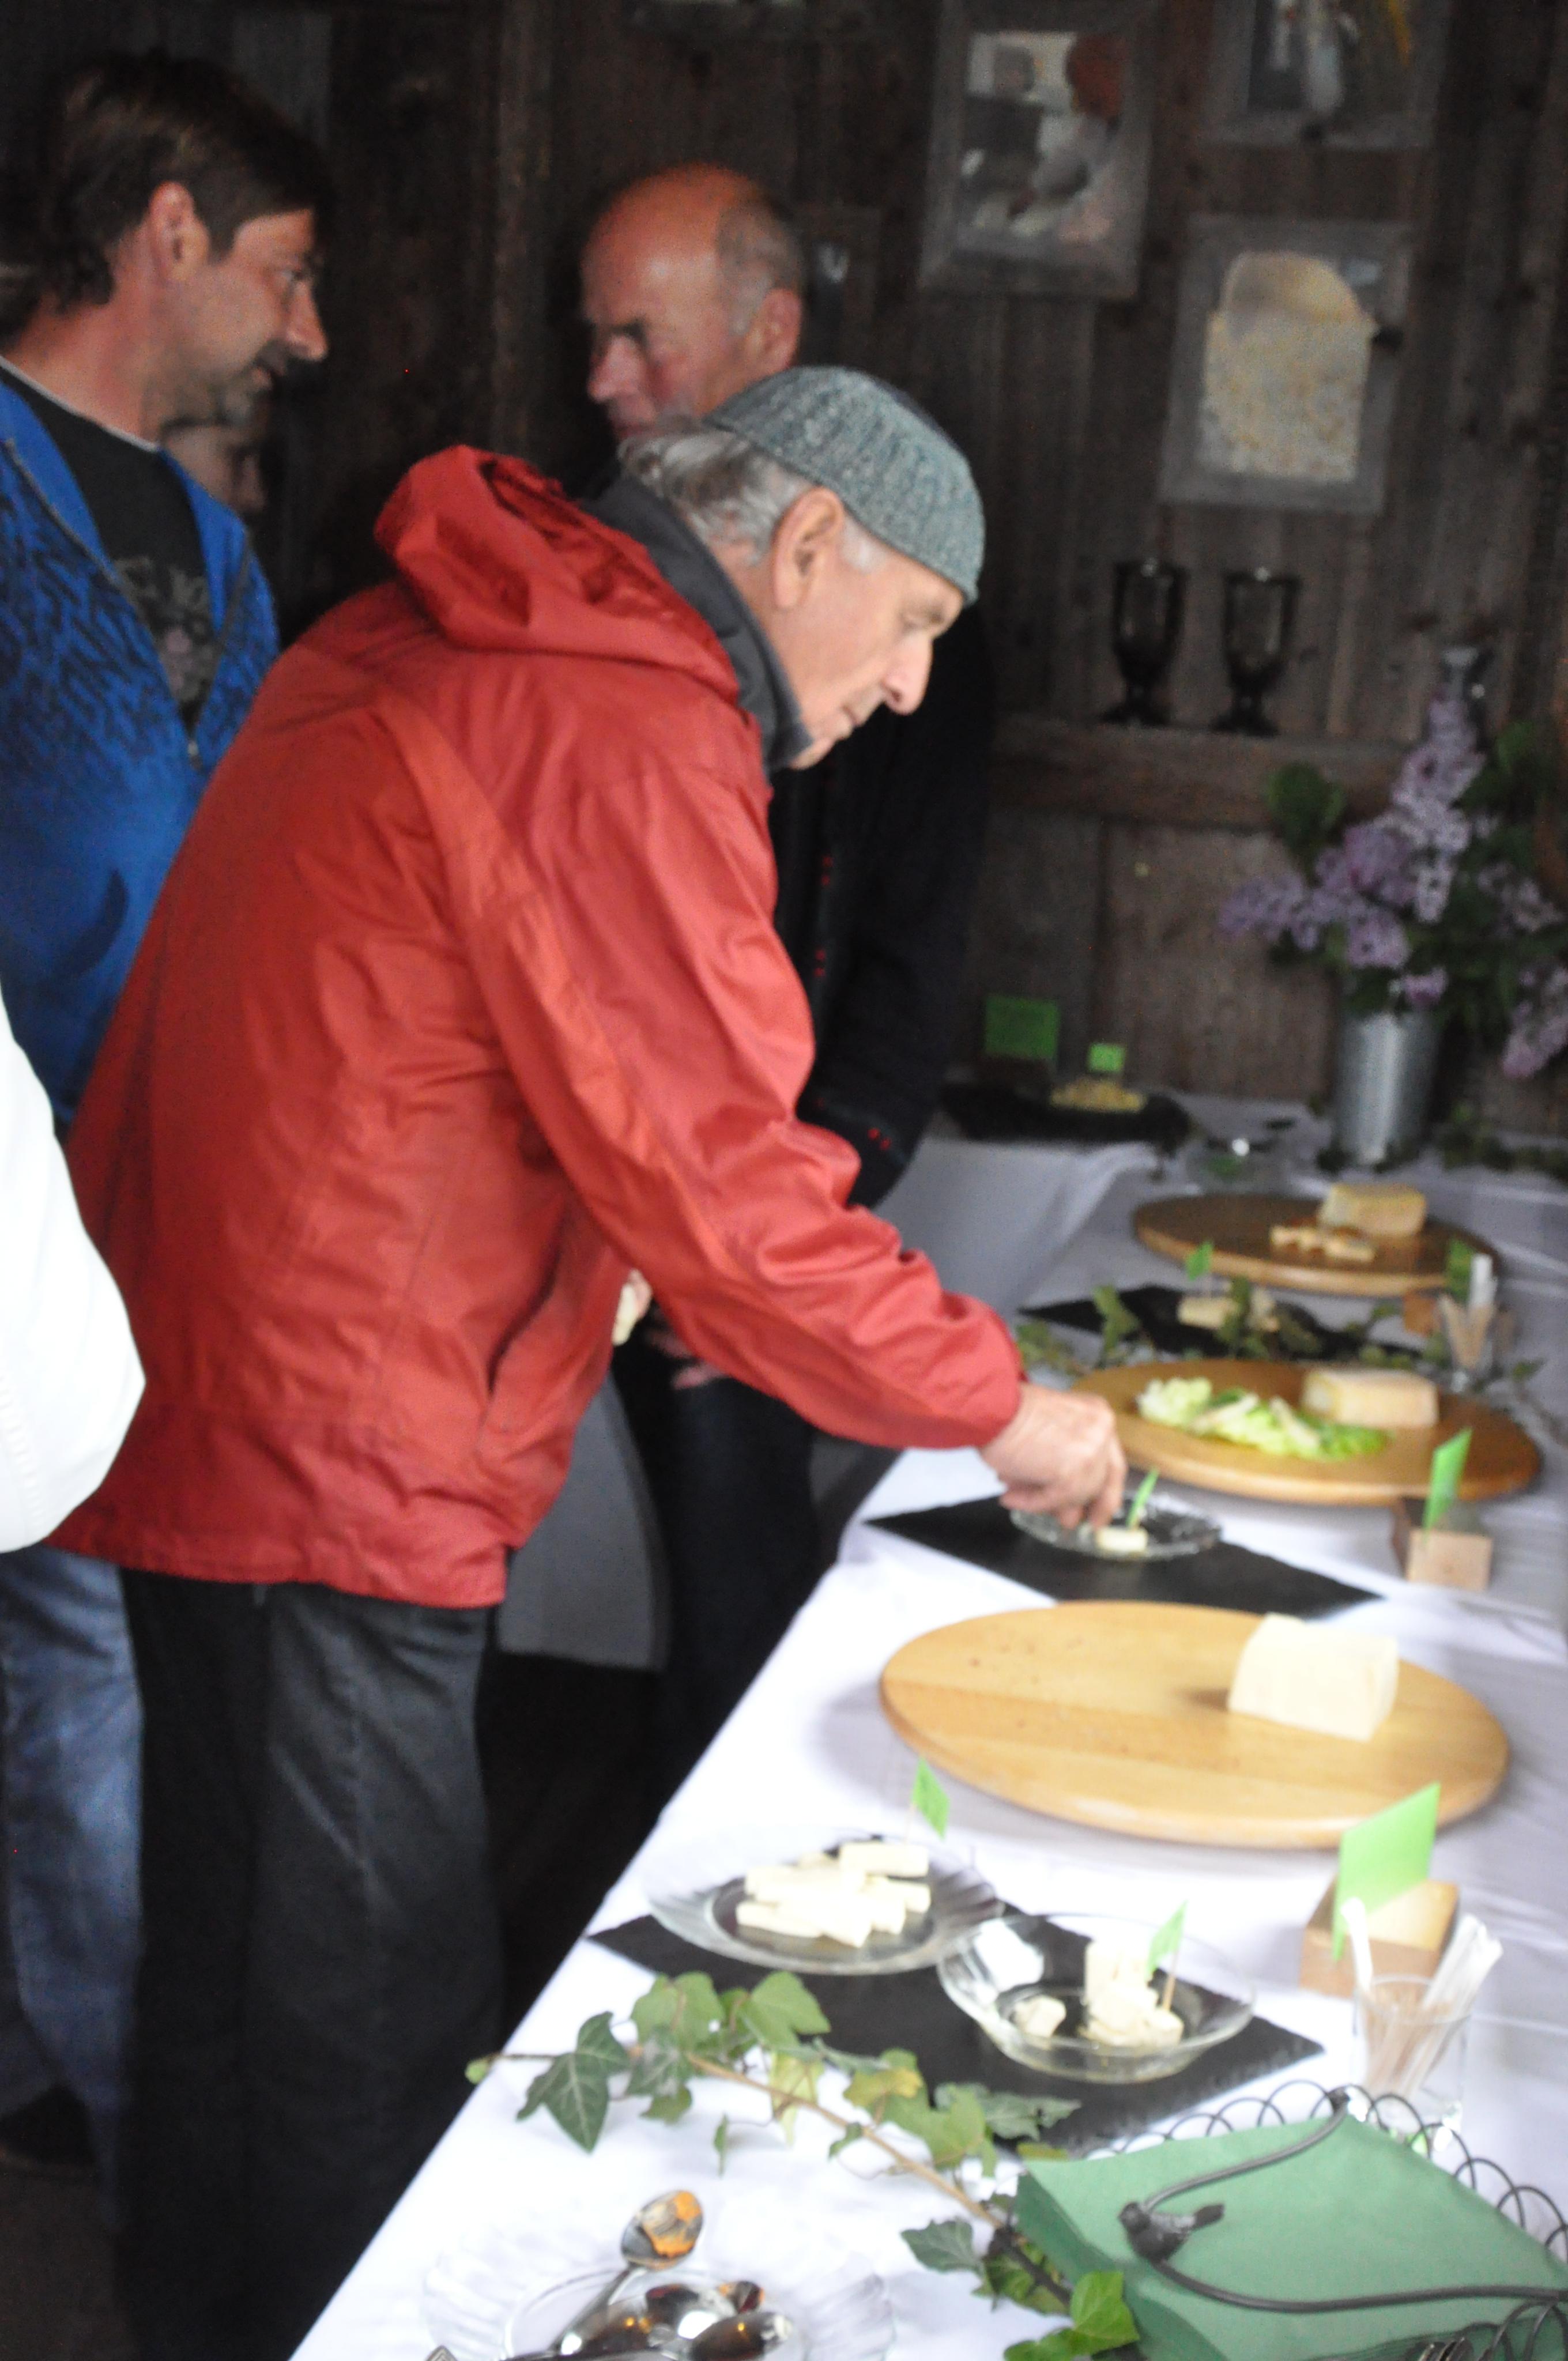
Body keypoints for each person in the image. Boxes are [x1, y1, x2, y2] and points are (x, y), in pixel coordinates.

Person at [56, 365, 1122, 2359]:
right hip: (333, 1443)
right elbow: (734, 1202)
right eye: (912, 625)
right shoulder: (616, 706)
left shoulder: (465, 622)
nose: (911, 686)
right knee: (373, 2033)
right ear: (808, 543)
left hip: (210, 1383)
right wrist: (1009, 1402)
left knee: (224, 1980)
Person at [0, 50, 329, 2200]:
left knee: (128, 1678)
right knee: (81, 1677)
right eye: (286, 275)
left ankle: (137, 2109)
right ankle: (154, 2163)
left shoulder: (214, 541)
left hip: (179, 1212)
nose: (311, 333)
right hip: (16, 1205)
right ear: (170, 231)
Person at [580, 164, 996, 1790]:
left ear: (770, 333)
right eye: (597, 336)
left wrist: (775, 1236)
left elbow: (904, 972)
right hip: (631, 1204)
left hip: (749, 1201)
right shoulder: (596, 618)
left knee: (744, 1595)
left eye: (644, 338)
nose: (603, 379)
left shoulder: (900, 623)